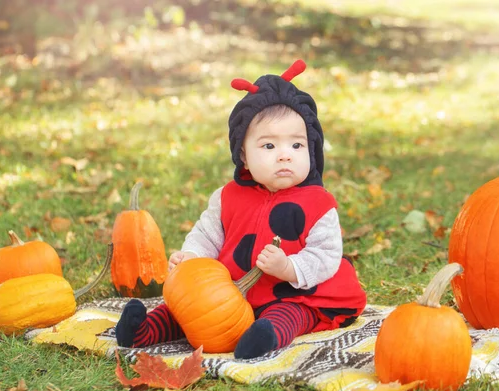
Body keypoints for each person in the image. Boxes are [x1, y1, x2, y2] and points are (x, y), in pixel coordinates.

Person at [115, 60, 367, 359]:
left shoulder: (319, 204)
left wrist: (289, 268)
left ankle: (266, 337)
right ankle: (143, 330)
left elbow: (326, 255)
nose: (285, 155)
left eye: (297, 146)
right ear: (243, 156)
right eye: (269, 147)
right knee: (189, 308)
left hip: (291, 292)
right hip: (229, 293)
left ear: (311, 149)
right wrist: (192, 257)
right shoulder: (228, 197)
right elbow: (207, 235)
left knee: (292, 314)